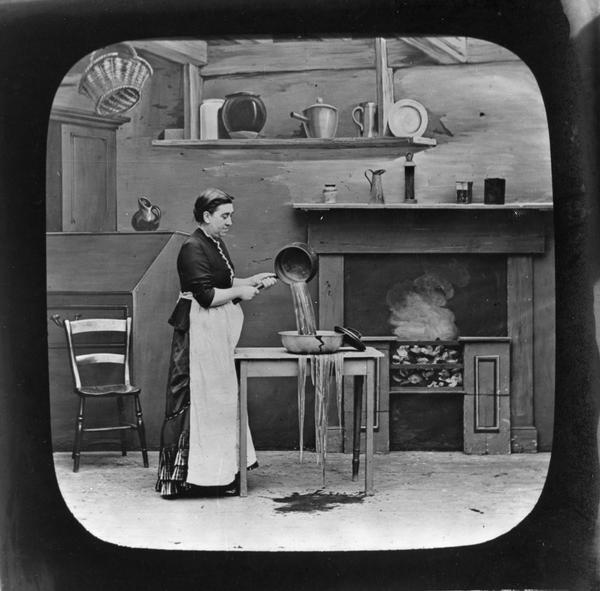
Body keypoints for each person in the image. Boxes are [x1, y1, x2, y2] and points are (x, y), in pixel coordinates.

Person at [155, 188, 276, 498]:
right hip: (197, 331)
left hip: (213, 332)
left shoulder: (212, 242)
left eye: (231, 215)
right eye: (225, 216)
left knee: (219, 399)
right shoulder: (192, 247)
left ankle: (218, 474)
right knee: (199, 398)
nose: (230, 222)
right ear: (206, 216)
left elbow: (222, 281)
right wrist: (240, 294)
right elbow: (206, 296)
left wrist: (249, 281)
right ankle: (187, 479)